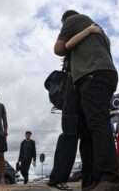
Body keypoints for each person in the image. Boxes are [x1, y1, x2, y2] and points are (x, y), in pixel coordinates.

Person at [54, 10, 119, 191]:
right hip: (101, 75)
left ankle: (110, 178)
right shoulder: (100, 33)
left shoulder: (73, 20)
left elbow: (58, 49)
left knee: (97, 125)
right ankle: (91, 181)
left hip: (92, 75)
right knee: (87, 130)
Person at [48, 56, 78, 191]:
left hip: (79, 98)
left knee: (73, 138)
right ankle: (58, 178)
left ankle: (58, 178)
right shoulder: (69, 74)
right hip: (72, 99)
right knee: (69, 137)